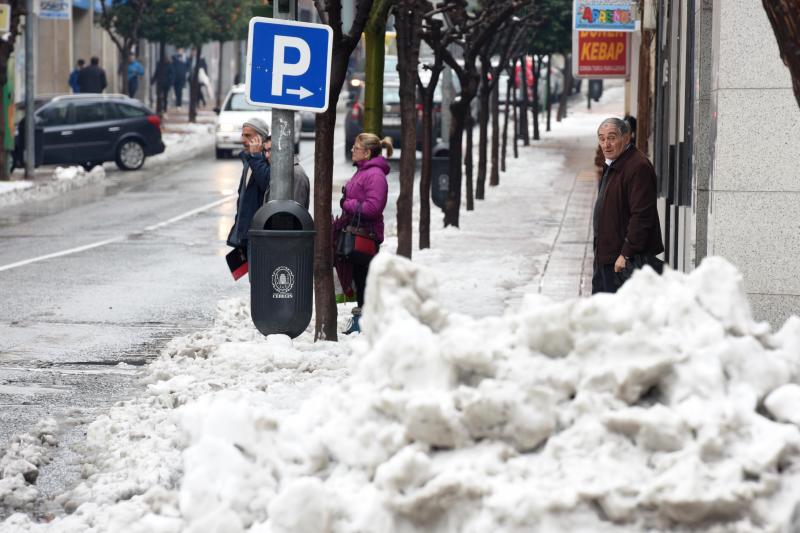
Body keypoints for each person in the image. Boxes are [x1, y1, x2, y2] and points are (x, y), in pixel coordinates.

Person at [592, 117, 664, 294]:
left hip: (622, 262)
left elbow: (642, 215)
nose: (606, 144)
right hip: (606, 257)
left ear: (625, 138)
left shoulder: (637, 167)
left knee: (617, 317)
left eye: (611, 137)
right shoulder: (614, 164)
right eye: (602, 139)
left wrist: (626, 253)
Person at [335, 133, 392, 334]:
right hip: (358, 232)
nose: (352, 150)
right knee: (359, 277)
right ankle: (363, 321)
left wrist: (347, 204)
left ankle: (366, 323)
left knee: (363, 278)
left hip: (366, 235)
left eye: (356, 147)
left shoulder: (374, 175)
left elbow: (373, 207)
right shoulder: (363, 171)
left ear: (367, 152)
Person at [226, 117, 271, 258]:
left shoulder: (265, 159)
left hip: (260, 234)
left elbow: (265, 183)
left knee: (259, 277)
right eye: (242, 134)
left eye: (248, 136)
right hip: (248, 234)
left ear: (260, 139)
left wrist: (257, 156)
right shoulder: (249, 160)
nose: (242, 140)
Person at [263, 137, 310, 209]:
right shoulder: (279, 170)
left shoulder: (295, 175)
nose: (266, 155)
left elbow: (296, 212)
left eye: (270, 150)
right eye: (265, 151)